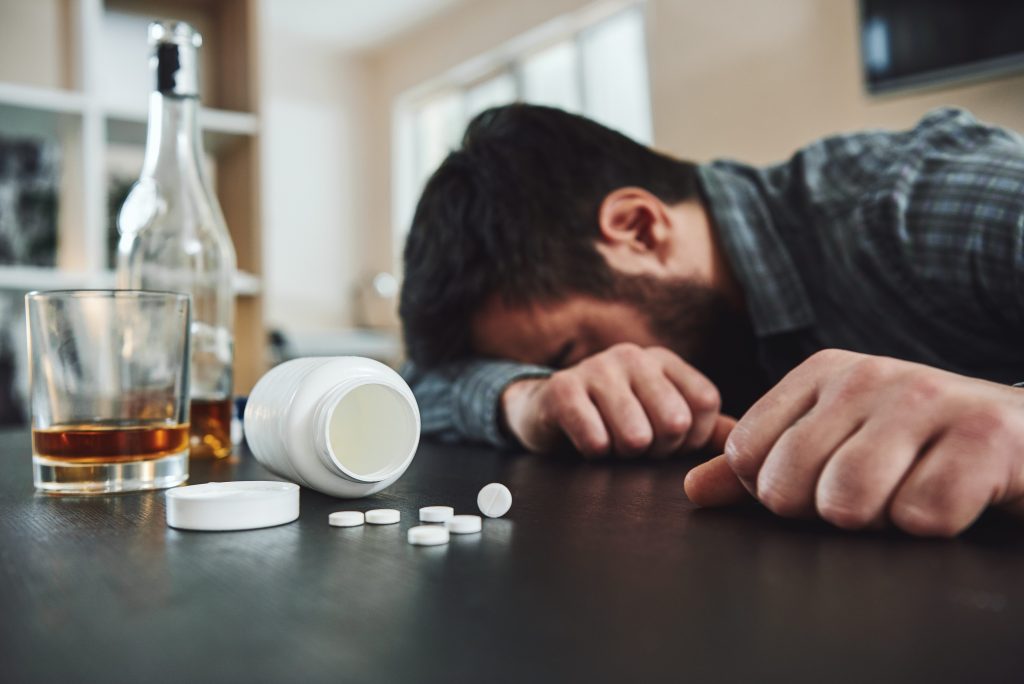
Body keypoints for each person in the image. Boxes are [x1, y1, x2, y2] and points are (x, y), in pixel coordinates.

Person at [399, 104, 1024, 537]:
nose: (587, 377)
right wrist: (524, 396)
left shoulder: (921, 200)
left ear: (640, 228)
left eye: (570, 351)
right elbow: (416, 384)